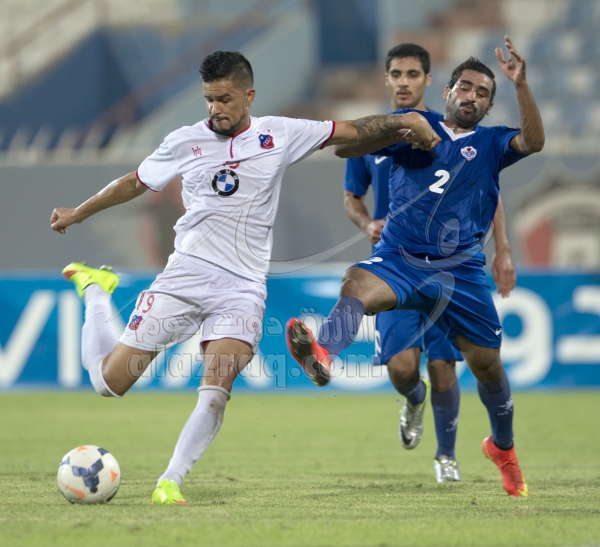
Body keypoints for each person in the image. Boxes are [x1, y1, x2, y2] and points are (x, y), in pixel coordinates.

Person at [50, 50, 440, 505]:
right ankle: (96, 290)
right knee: (109, 384)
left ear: (249, 96)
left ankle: (170, 481)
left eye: (224, 99)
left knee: (216, 390)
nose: (215, 108)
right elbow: (135, 182)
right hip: (185, 276)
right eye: (209, 99)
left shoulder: (279, 134)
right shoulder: (184, 140)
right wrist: (79, 212)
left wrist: (406, 121)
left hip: (242, 288)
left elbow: (351, 130)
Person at [287, 37, 544, 497]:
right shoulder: (415, 128)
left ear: (489, 107)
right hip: (401, 259)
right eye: (464, 87)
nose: (471, 96)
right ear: (447, 91)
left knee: (487, 368)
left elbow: (535, 141)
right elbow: (347, 151)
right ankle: (323, 353)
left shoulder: (492, 142)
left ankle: (502, 448)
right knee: (356, 282)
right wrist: (401, 124)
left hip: (459, 272)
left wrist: (521, 86)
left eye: (482, 93)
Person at [343, 43, 517, 483]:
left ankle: (446, 457)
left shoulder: (453, 130)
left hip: (450, 265)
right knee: (402, 368)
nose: (403, 82)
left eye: (412, 74)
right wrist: (366, 223)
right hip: (398, 260)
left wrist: (503, 248)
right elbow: (351, 195)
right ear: (387, 79)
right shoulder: (380, 133)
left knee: (444, 364)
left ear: (429, 81)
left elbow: (488, 191)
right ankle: (412, 398)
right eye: (396, 74)